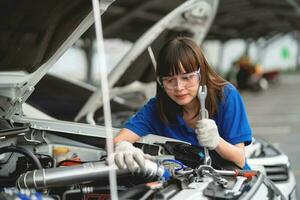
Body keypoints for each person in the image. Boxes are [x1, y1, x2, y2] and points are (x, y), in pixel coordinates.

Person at [112, 37, 252, 172]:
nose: (178, 87)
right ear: (161, 81)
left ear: (200, 73)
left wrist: (217, 142)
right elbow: (119, 139)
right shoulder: (157, 108)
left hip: (232, 182)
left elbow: (239, 159)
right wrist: (123, 146)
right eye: (169, 80)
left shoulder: (226, 96)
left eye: (186, 77)